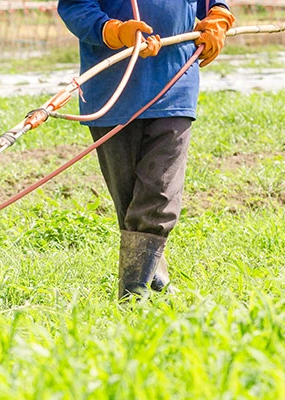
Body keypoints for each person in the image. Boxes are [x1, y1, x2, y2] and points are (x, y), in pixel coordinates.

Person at [56, 0, 235, 299]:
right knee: (129, 201)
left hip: (174, 82)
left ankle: (132, 297)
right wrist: (113, 31)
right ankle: (155, 279)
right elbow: (76, 7)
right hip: (113, 90)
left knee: (159, 191)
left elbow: (210, 3)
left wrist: (219, 15)